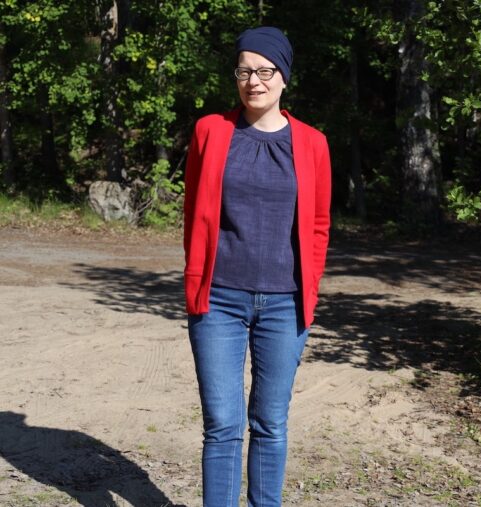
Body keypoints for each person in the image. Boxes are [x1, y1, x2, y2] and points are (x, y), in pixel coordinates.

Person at [182, 26, 331, 507]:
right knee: (222, 425)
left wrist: (309, 287)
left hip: (285, 304)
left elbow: (319, 225)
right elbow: (193, 214)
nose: (254, 81)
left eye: (265, 71)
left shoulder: (312, 143)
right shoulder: (211, 131)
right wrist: (195, 280)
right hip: (219, 299)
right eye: (245, 70)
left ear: (284, 77)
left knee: (269, 422)